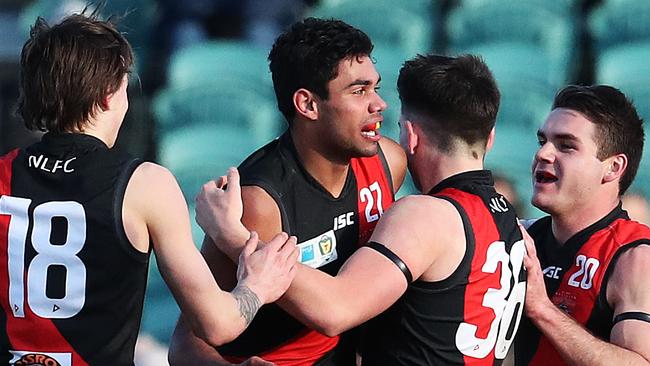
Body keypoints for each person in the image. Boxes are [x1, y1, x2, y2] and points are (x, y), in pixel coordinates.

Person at [0, 11, 298, 365]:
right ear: (110, 95)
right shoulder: (143, 184)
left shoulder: (5, 172)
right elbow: (217, 324)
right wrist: (256, 286)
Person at [197, 54, 527, 365]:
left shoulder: (426, 214)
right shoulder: (510, 221)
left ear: (411, 137)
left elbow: (336, 310)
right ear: (491, 138)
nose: (377, 106)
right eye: (361, 90)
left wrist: (234, 237)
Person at [168, 17, 407, 365]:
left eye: (375, 87)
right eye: (358, 91)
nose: (379, 104)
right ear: (307, 104)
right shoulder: (258, 203)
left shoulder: (389, 161)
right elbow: (185, 346)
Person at [515, 85, 650, 365]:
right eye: (543, 141)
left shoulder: (635, 258)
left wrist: (541, 308)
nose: (543, 154)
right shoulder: (520, 236)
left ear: (613, 168)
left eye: (566, 146)